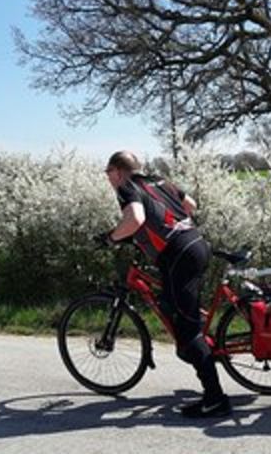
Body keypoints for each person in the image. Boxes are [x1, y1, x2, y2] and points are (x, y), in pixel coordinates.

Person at [99, 150, 231, 418]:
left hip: (179, 256)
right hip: (195, 243)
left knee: (187, 330)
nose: (108, 178)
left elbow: (135, 219)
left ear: (118, 171)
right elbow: (191, 205)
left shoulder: (127, 187)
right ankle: (199, 351)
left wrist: (112, 238)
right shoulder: (159, 180)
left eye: (108, 173)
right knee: (174, 306)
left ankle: (215, 398)